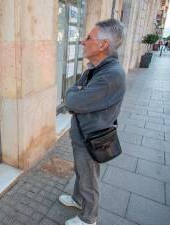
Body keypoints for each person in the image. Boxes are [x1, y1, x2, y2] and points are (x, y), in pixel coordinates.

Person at [59, 18, 126, 225]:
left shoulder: (110, 75)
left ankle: (89, 218)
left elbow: (72, 100)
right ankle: (78, 199)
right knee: (82, 171)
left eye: (89, 37)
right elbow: (72, 95)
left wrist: (75, 94)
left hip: (92, 138)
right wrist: (75, 94)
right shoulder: (96, 69)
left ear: (103, 45)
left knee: (89, 178)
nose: (83, 41)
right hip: (83, 134)